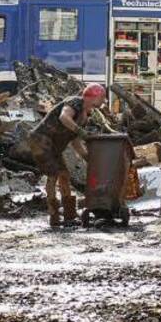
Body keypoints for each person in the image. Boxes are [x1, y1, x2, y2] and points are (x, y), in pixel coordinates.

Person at [28, 83, 107, 227]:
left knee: (64, 175)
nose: (103, 101)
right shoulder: (75, 102)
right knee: (53, 175)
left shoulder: (85, 116)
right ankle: (54, 215)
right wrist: (80, 131)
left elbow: (75, 141)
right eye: (102, 97)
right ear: (93, 96)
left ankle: (69, 214)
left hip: (54, 146)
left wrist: (88, 157)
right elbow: (64, 117)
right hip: (41, 140)